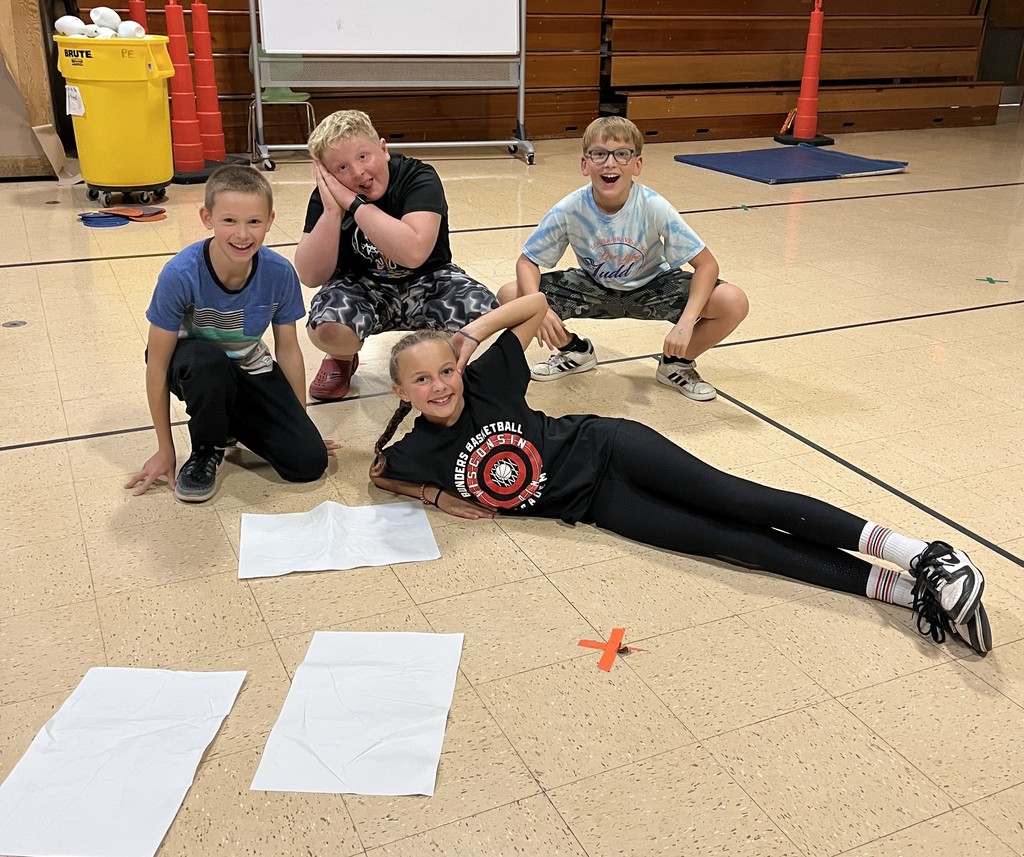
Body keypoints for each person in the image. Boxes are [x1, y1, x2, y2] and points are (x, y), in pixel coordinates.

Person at [369, 293, 991, 656]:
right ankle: (915, 595)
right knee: (728, 544)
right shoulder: (416, 451)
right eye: (421, 380)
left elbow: (533, 304)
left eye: (444, 371)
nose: (439, 386)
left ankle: (923, 554)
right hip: (597, 507)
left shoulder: (486, 381)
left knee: (734, 500)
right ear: (401, 391)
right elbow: (379, 474)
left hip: (609, 448)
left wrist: (469, 337)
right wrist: (431, 495)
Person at [498, 116, 749, 401]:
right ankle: (575, 351)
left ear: (637, 164)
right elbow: (527, 261)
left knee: (733, 301)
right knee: (511, 296)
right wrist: (538, 308)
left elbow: (707, 264)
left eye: (622, 154)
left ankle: (676, 363)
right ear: (585, 164)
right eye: (599, 154)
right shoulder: (570, 208)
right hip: (593, 288)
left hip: (654, 288)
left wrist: (687, 322)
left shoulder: (654, 206)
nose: (610, 163)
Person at [126, 165, 335, 503]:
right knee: (209, 362)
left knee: (308, 463)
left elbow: (289, 351)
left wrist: (300, 423)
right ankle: (208, 447)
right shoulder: (180, 274)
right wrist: (165, 449)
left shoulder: (279, 272)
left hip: (245, 365)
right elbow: (158, 363)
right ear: (207, 217)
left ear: (269, 220)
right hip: (191, 364)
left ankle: (229, 419)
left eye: (254, 221)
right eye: (229, 221)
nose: (242, 234)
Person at [295, 109, 499, 401]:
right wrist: (331, 211)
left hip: (429, 279)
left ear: (383, 149)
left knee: (485, 316)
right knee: (326, 327)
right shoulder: (327, 198)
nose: (357, 173)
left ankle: (440, 358)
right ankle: (342, 356)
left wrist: (352, 204)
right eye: (341, 168)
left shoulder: (418, 176)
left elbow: (413, 253)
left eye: (363, 156)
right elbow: (310, 275)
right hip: (362, 285)